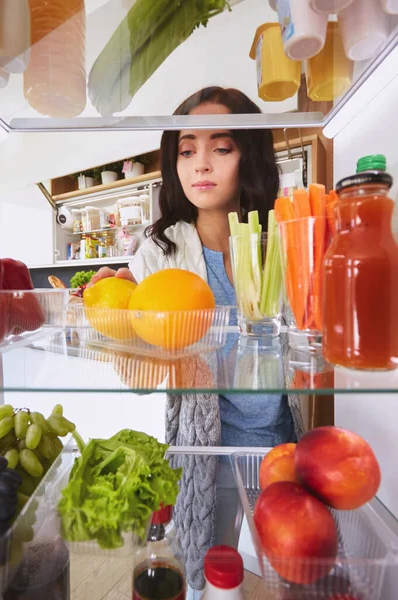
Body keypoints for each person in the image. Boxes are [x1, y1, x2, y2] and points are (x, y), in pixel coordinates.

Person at [91, 86, 301, 594]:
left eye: (221, 147)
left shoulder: (290, 238)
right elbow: (139, 379)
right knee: (201, 572)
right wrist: (117, 317)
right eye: (186, 150)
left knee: (298, 575)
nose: (199, 165)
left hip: (285, 443)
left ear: (248, 155)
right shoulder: (155, 253)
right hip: (204, 444)